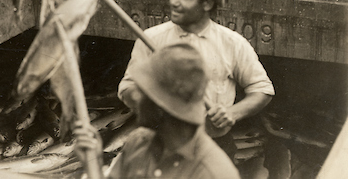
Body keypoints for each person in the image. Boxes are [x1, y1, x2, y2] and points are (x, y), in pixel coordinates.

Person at [118, 0, 275, 159]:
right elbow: (127, 88)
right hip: (162, 145)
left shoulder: (232, 42)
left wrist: (233, 113)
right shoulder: (151, 38)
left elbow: (262, 89)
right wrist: (157, 105)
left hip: (214, 146)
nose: (174, 1)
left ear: (207, 2)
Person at [74, 42, 240, 178]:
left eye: (144, 94)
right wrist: (92, 162)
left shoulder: (213, 173)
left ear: (162, 107)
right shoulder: (138, 143)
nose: (136, 99)